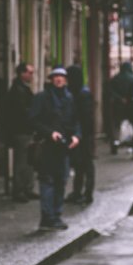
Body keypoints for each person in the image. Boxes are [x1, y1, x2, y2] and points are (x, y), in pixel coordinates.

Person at [29, 67, 80, 231]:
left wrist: (76, 136)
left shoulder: (69, 98)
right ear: (51, 79)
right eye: (56, 77)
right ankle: (47, 217)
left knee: (62, 180)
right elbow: (33, 120)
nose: (59, 79)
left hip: (63, 147)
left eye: (62, 77)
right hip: (47, 146)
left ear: (66, 80)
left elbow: (76, 121)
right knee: (47, 181)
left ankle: (56, 215)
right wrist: (50, 133)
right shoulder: (42, 98)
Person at [3, 62, 37, 203]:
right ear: (22, 73)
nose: (31, 76)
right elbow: (22, 111)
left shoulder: (21, 88)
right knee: (21, 161)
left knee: (28, 160)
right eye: (29, 72)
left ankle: (26, 188)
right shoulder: (18, 90)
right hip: (21, 130)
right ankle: (19, 190)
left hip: (25, 129)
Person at [65, 65, 95, 206]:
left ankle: (87, 193)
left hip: (84, 135)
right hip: (79, 134)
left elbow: (86, 118)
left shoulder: (82, 94)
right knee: (79, 164)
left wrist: (83, 135)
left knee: (86, 164)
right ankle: (78, 192)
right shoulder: (76, 92)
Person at [108, 62, 133, 154]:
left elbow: (111, 91)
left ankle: (115, 143)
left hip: (118, 106)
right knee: (131, 125)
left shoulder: (115, 79)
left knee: (116, 126)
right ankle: (131, 144)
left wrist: (120, 98)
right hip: (130, 106)